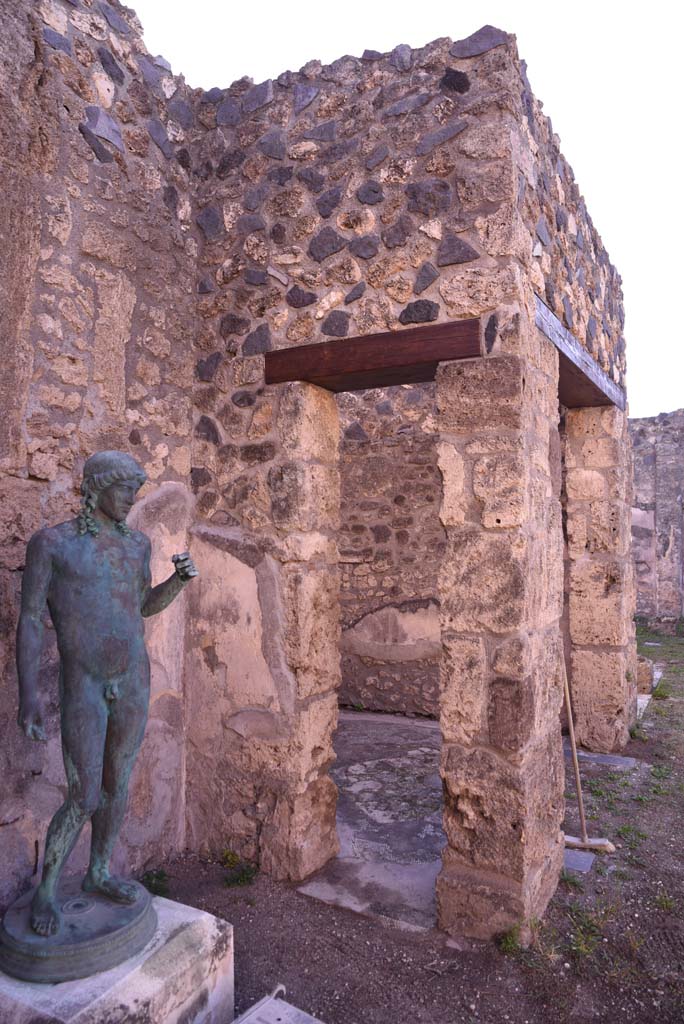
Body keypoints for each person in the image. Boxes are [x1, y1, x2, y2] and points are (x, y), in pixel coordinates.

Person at [16, 450, 198, 937]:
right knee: (84, 793)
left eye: (134, 492)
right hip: (85, 682)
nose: (130, 501)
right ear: (95, 488)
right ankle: (48, 890)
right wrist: (28, 694)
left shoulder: (136, 545)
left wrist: (176, 583)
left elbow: (142, 605)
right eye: (124, 491)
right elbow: (31, 620)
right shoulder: (52, 544)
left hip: (133, 677)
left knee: (118, 784)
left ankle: (99, 871)